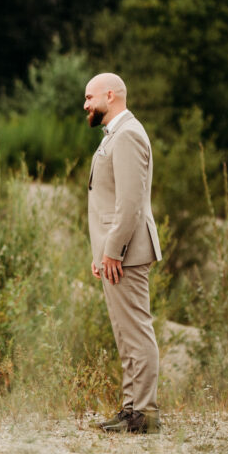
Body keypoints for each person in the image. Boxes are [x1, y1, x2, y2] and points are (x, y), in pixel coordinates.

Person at [84, 73, 163, 434]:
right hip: (115, 253)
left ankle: (145, 413)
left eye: (89, 97)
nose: (85, 105)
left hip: (127, 253)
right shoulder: (115, 135)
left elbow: (129, 204)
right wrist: (101, 252)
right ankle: (132, 410)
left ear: (109, 95)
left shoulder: (128, 135)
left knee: (136, 332)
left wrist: (113, 252)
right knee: (124, 333)